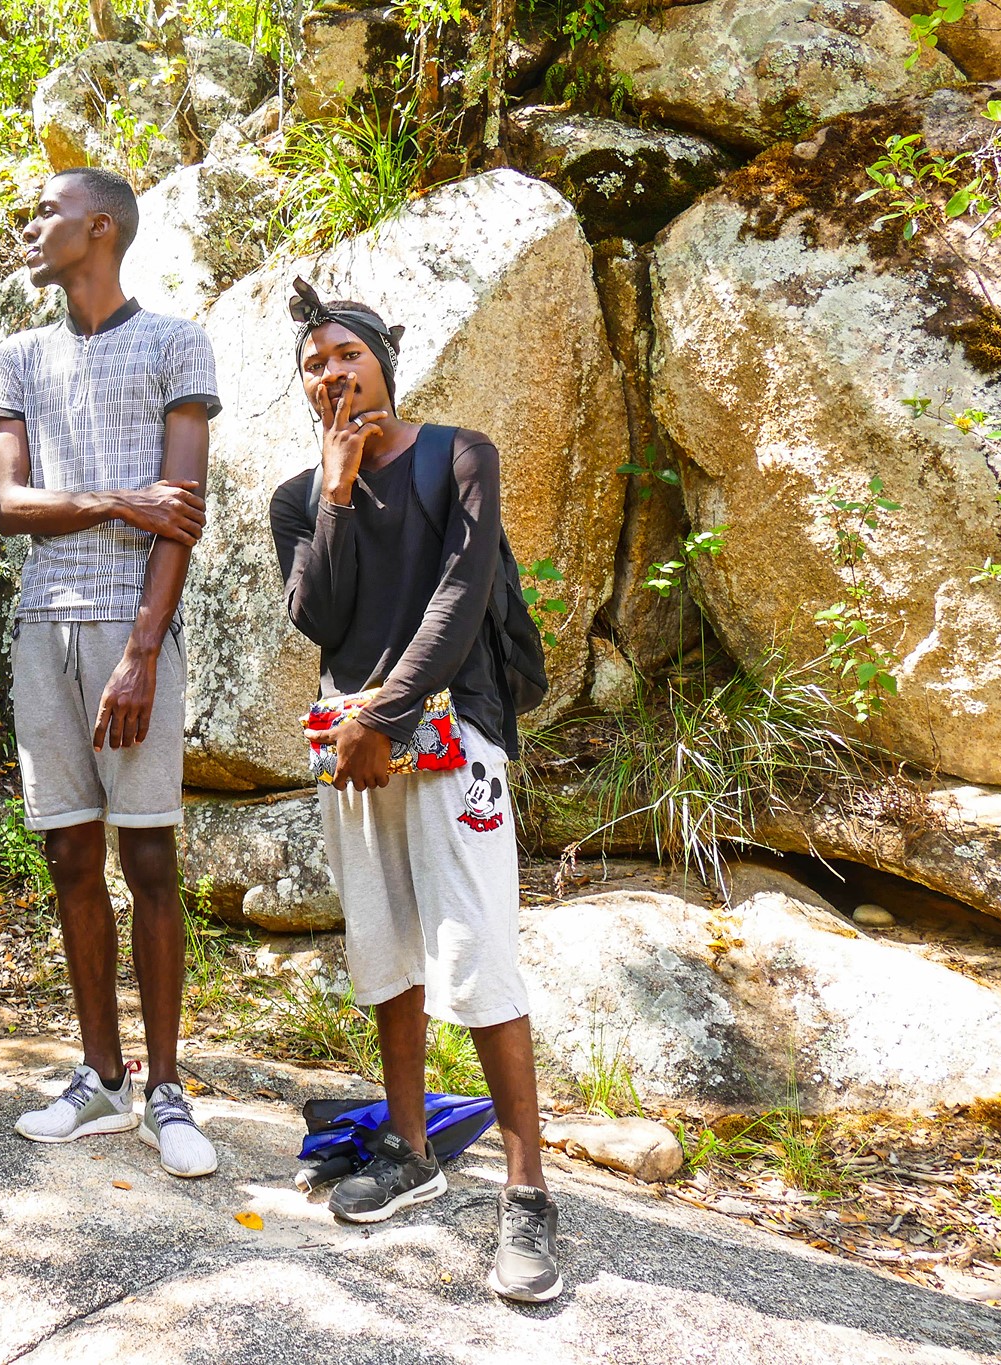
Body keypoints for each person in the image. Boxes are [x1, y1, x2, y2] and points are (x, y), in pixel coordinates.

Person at [267, 282, 560, 1302]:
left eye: (346, 354)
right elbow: (319, 616)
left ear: (383, 361)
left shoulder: (459, 455)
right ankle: (409, 1147)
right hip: (353, 746)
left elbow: (460, 595)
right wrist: (336, 493)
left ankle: (526, 1190)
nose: (331, 373)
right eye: (314, 363)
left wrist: (381, 717)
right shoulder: (297, 498)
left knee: (477, 949)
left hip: (444, 731)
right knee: (385, 944)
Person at [0, 167, 220, 1178]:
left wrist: (142, 650)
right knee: (70, 856)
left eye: (47, 213)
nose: (30, 227)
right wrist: (123, 498)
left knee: (149, 857)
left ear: (101, 228)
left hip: (133, 629)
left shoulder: (174, 342)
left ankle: (167, 1090)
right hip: (43, 624)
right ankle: (101, 1077)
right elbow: (7, 506)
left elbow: (183, 513)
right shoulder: (21, 355)